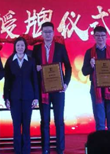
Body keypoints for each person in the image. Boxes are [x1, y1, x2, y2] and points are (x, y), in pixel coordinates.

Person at [33, 22, 72, 154]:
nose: (48, 34)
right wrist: (36, 67)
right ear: (42, 33)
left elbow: (68, 66)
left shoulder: (60, 48)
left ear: (53, 33)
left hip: (58, 89)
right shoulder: (37, 49)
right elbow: (32, 68)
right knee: (44, 120)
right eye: (45, 32)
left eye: (50, 32)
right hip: (43, 89)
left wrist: (65, 84)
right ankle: (45, 148)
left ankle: (60, 148)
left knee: (59, 120)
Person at [82, 25, 110, 133]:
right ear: (94, 37)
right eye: (97, 35)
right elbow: (84, 72)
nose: (100, 38)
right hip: (96, 90)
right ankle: (101, 143)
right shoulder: (89, 53)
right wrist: (91, 66)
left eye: (102, 35)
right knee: (100, 122)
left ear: (106, 37)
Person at [4, 37, 39, 154]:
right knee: (16, 125)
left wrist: (36, 97)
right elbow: (7, 81)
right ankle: (17, 150)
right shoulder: (10, 61)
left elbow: (35, 79)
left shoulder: (31, 61)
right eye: (18, 45)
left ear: (25, 47)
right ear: (15, 47)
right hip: (14, 98)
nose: (20, 48)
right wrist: (6, 98)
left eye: (22, 45)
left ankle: (26, 150)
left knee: (26, 125)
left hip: (28, 97)